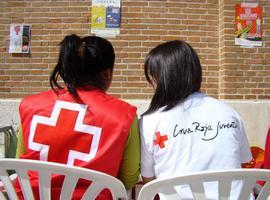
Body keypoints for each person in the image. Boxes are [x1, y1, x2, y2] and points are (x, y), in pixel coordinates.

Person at [15, 34, 140, 199]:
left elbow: (19, 161)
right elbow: (129, 177)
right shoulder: (124, 116)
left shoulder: (29, 105)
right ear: (107, 73)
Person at [139, 40, 252, 199]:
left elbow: (149, 180)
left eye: (152, 77)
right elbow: (242, 161)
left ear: (162, 78)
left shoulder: (149, 122)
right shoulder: (229, 113)